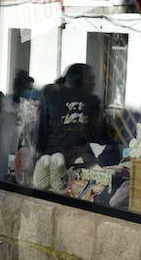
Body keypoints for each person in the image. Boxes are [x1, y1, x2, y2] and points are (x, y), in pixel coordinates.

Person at [33, 63, 106, 194]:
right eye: (90, 78)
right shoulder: (91, 101)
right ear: (79, 80)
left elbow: (40, 130)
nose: (94, 83)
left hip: (56, 158)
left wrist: (40, 151)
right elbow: (98, 135)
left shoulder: (50, 92)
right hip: (69, 160)